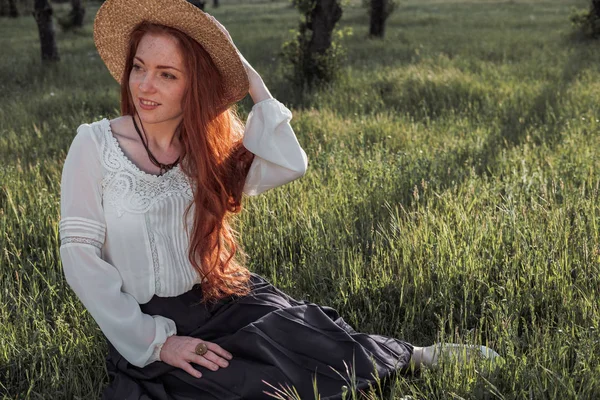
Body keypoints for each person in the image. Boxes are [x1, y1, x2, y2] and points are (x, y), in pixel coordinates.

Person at [58, 0, 500, 398]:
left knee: (296, 336)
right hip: (146, 323)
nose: (144, 86)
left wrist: (251, 82)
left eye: (167, 74)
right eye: (139, 67)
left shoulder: (205, 149)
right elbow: (79, 257)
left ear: (197, 85)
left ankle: (415, 355)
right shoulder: (95, 145)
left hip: (218, 297)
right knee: (236, 383)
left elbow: (291, 164)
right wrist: (158, 342)